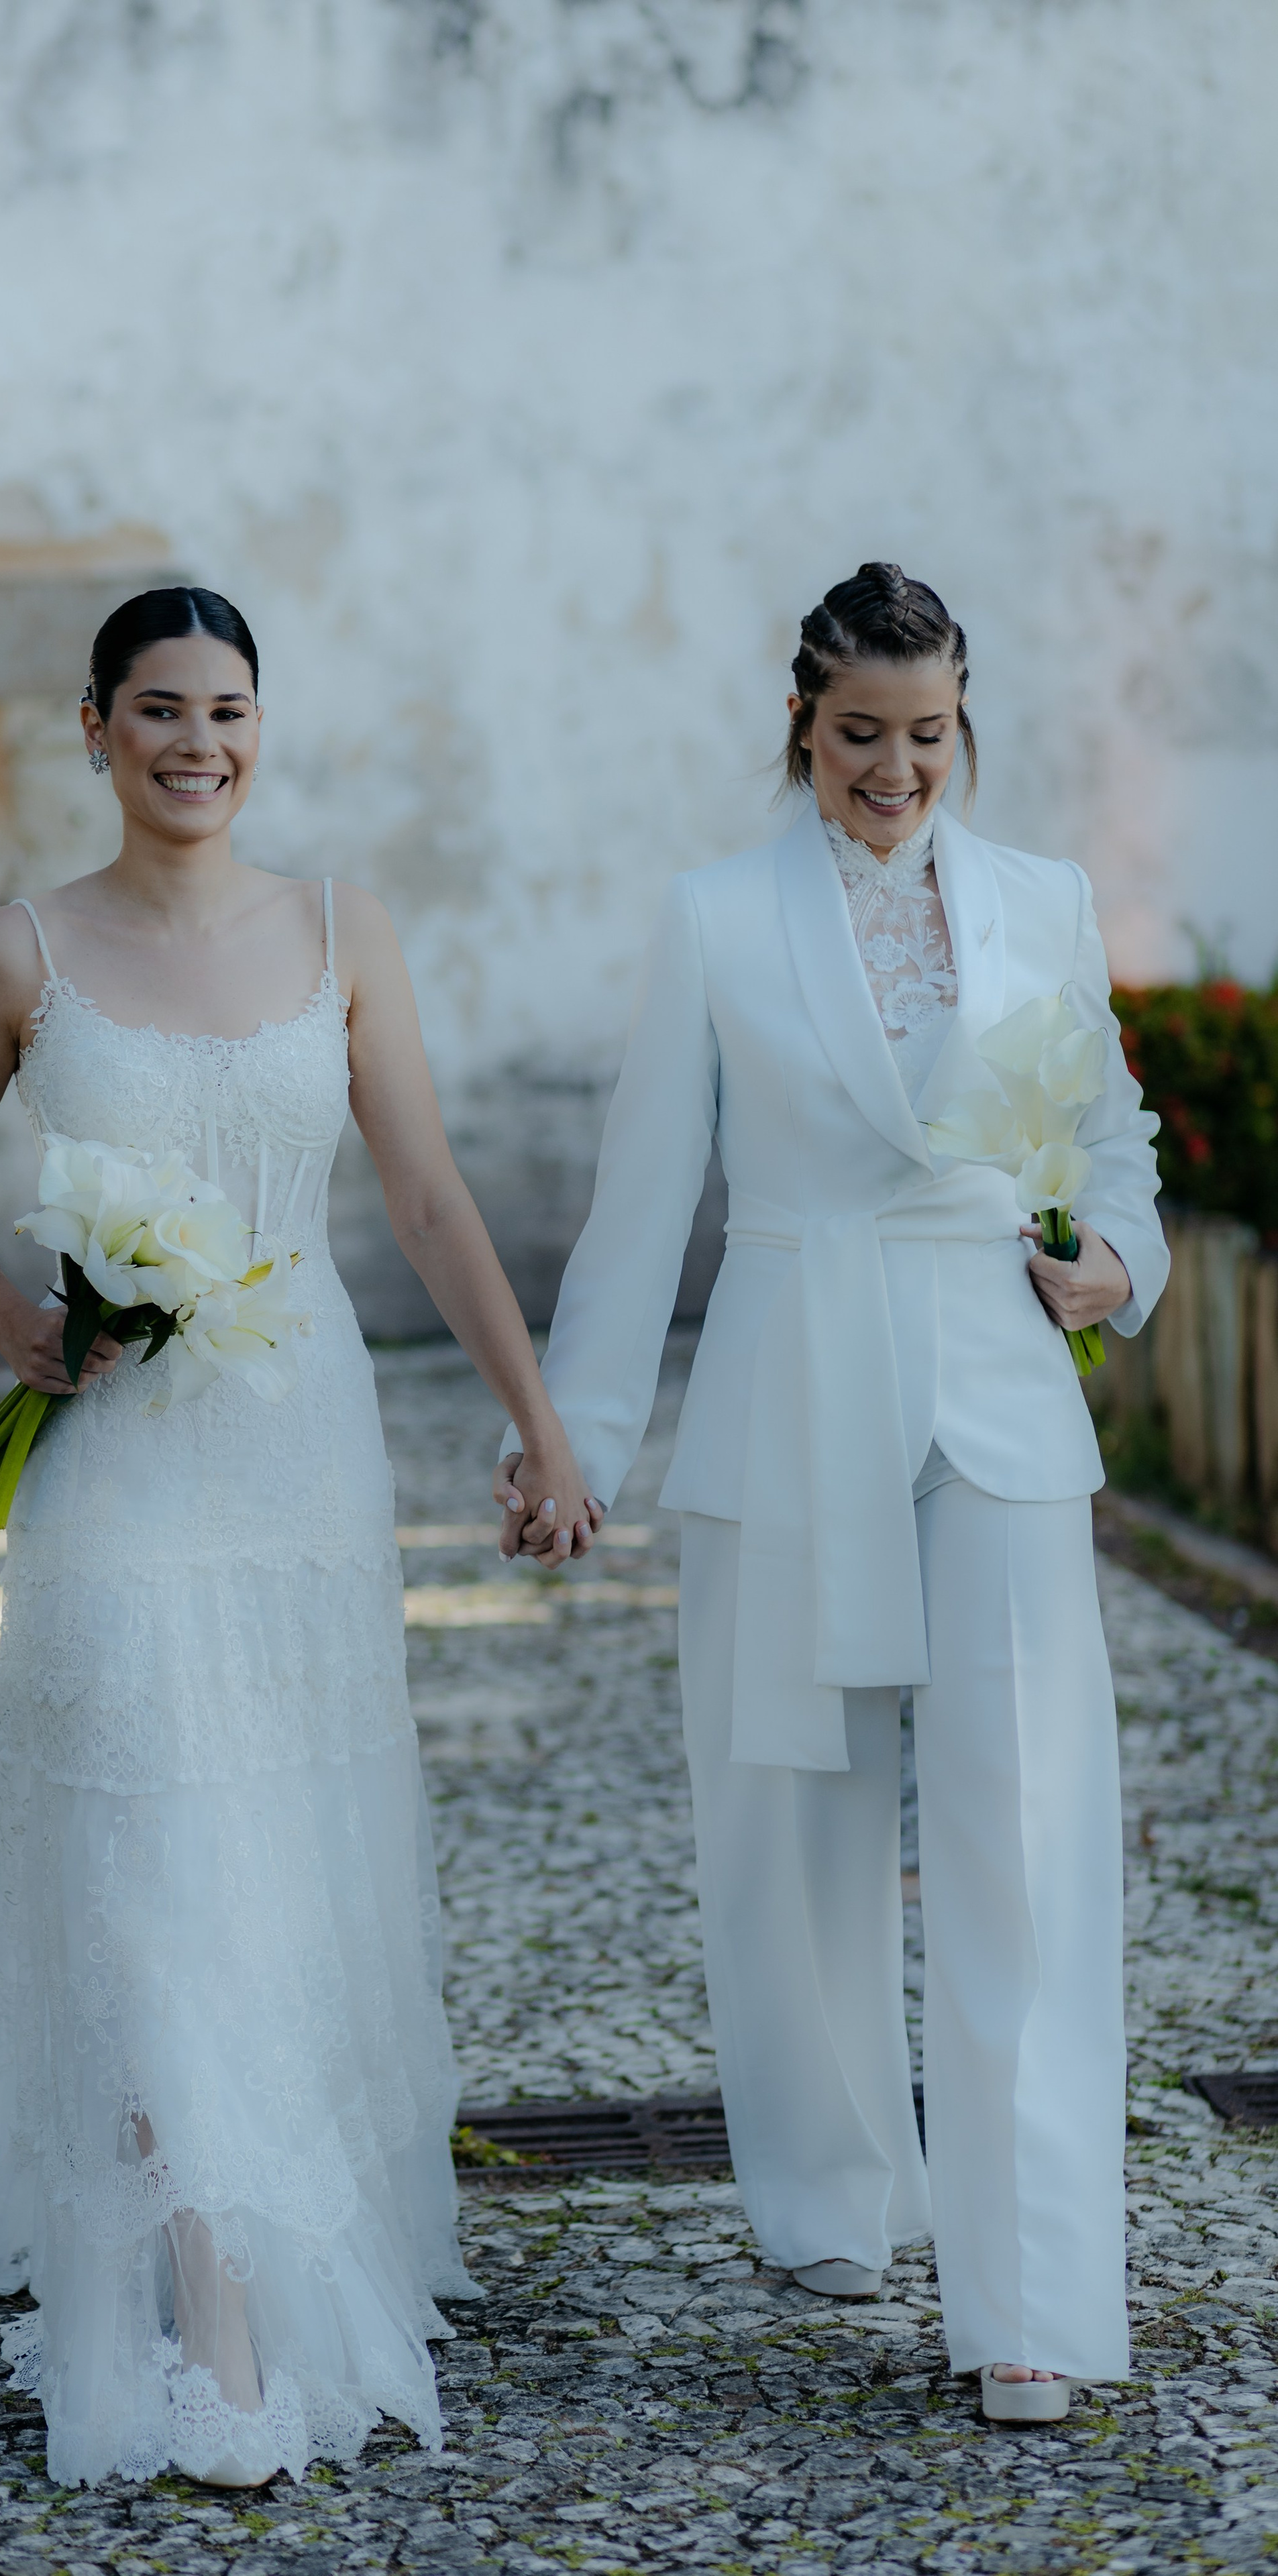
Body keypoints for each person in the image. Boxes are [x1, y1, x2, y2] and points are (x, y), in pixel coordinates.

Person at [0, 586, 595, 2489]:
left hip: (298, 1458)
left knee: (280, 1855)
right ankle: (213, 2324)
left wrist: (538, 1420)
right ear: (93, 728)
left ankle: (285, 2226)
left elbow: (417, 1190)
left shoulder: (343, 934)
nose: (197, 744)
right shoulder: (17, 954)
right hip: (123, 1478)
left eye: (227, 710)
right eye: (156, 709)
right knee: (151, 1858)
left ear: (261, 727)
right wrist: (15, 1326)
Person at [496, 563, 1166, 2425]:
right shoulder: (716, 919)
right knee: (792, 1821)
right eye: (860, 733)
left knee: (1023, 1833)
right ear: (803, 722)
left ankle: (1030, 2295)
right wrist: (580, 1438)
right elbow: (644, 1210)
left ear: (967, 724)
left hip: (1000, 1401)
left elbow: (1113, 1134)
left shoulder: (1046, 900)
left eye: (928, 734)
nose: (895, 768)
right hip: (791, 1385)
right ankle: (833, 2191)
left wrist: (1124, 1252)